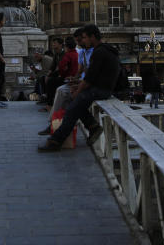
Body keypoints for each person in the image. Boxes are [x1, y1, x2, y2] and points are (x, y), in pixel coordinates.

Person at [39, 24, 118, 152]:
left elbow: (89, 79)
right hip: (101, 88)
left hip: (101, 90)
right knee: (76, 104)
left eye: (85, 37)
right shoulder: (104, 50)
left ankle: (56, 140)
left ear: (93, 37)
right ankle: (92, 126)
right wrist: (78, 86)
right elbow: (92, 77)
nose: (84, 41)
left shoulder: (99, 52)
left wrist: (78, 90)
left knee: (72, 109)